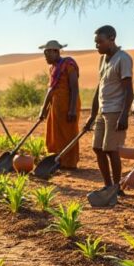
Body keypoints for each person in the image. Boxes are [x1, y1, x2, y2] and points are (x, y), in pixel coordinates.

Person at [83, 25, 134, 207]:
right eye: (96, 43)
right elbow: (100, 88)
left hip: (115, 111)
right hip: (103, 111)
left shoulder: (124, 59)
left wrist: (124, 115)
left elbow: (129, 90)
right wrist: (92, 114)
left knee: (111, 150)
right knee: (98, 148)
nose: (97, 46)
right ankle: (108, 185)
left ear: (112, 38)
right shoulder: (103, 59)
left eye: (100, 42)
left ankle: (117, 188)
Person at [37, 40, 80, 169]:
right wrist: (43, 109)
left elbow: (74, 88)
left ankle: (69, 163)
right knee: (55, 134)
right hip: (56, 106)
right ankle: (58, 160)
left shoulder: (68, 64)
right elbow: (51, 90)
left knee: (68, 133)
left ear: (55, 52)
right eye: (44, 54)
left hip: (68, 104)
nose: (46, 57)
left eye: (47, 53)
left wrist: (72, 109)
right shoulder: (53, 68)